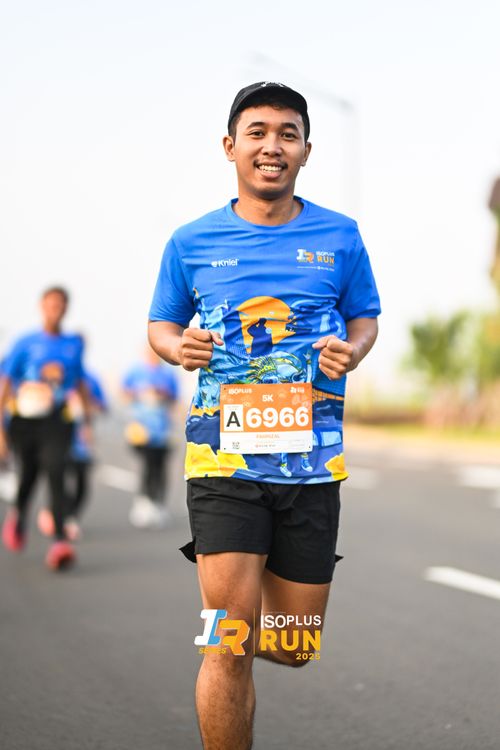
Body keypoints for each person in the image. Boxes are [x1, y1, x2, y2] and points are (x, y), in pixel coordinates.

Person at [148, 82, 381, 750]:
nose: (271, 145)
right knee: (227, 642)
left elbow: (365, 317)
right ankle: (226, 638)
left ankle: (243, 635)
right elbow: (161, 324)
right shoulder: (191, 241)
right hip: (221, 461)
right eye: (257, 132)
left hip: (311, 465)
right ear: (231, 147)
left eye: (287, 133)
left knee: (292, 645)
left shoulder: (340, 235)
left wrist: (354, 349)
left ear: (306, 149)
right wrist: (178, 347)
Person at [0, 286, 91, 570]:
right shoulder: (25, 342)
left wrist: (87, 423)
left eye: (60, 305)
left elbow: (79, 383)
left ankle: (60, 541)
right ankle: (18, 515)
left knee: (56, 470)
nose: (56, 309)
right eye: (51, 304)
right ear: (42, 306)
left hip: (57, 420)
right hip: (25, 421)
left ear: (66, 308)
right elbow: (6, 383)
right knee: (29, 474)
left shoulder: (72, 344)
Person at [37, 366, 108, 541]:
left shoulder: (89, 379)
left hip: (80, 443)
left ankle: (69, 517)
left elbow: (102, 406)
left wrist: (87, 409)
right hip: (54, 440)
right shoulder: (48, 373)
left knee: (82, 483)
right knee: (57, 480)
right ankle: (59, 517)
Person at [122, 344, 180, 529]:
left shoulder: (168, 374)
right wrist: (140, 395)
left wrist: (161, 396)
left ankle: (159, 503)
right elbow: (124, 393)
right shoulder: (135, 371)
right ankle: (144, 501)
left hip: (161, 430)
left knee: (160, 467)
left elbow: (174, 400)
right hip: (141, 429)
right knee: (147, 464)